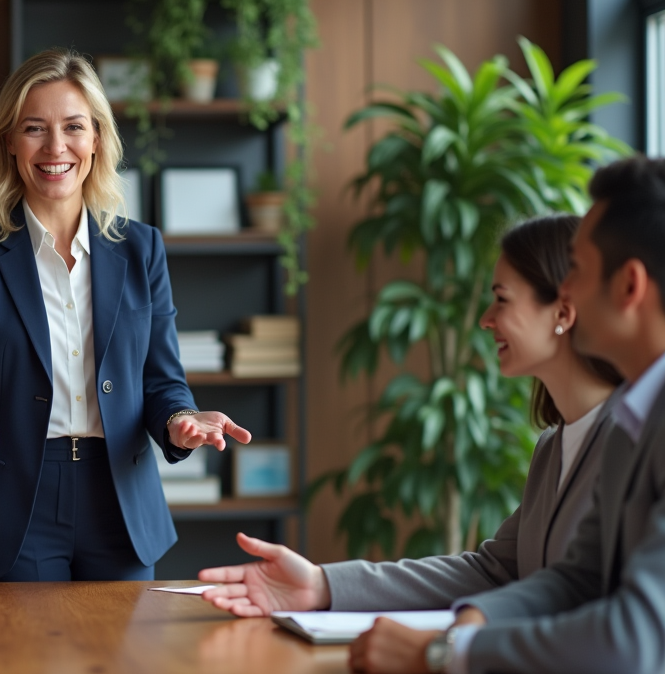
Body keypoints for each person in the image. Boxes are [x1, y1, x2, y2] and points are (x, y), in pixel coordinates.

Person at [0, 48, 251, 582]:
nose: (55, 147)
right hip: (5, 502)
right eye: (34, 128)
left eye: (73, 127)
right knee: (9, 666)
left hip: (118, 499)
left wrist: (180, 422)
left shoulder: (141, 249)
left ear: (96, 139)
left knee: (124, 665)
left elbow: (163, 381)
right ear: (9, 142)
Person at [197, 215, 623, 616]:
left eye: (501, 300)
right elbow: (494, 573)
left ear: (563, 311)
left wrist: (450, 649)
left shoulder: (636, 446)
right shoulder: (555, 447)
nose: (485, 320)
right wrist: (322, 584)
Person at [348, 155, 665, 674]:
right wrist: (473, 622)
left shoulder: (629, 423)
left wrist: (445, 654)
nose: (568, 293)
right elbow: (575, 579)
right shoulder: (636, 423)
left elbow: (635, 639)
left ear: (629, 286)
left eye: (578, 272)